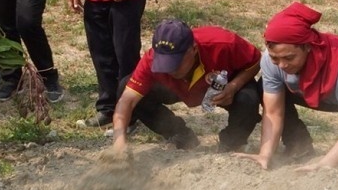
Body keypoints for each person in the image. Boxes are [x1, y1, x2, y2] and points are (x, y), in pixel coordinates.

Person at [239, 2, 338, 170]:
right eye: (275, 58)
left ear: (308, 47)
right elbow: (273, 112)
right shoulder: (271, 61)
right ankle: (298, 145)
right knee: (264, 86)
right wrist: (264, 154)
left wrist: (324, 165)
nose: (282, 65)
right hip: (326, 94)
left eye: (289, 58)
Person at [112, 18, 292, 153]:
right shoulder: (151, 59)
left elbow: (255, 61)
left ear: (194, 49)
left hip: (221, 87)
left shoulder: (223, 43)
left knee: (248, 99)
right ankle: (180, 135)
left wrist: (234, 86)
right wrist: (119, 143)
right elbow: (126, 101)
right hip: (177, 89)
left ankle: (232, 143)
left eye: (176, 63)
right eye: (164, 64)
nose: (171, 69)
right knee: (124, 87)